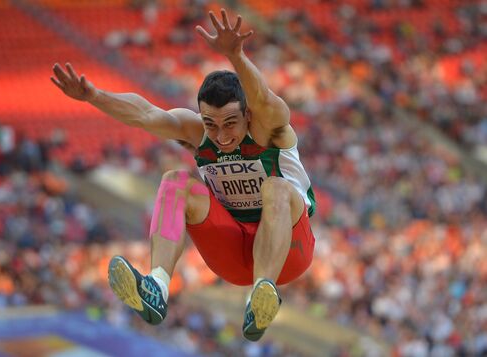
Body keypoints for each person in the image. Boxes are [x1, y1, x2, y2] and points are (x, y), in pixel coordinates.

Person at [51, 9, 316, 342]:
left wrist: (235, 55)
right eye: (211, 124)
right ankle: (157, 286)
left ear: (248, 115)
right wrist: (94, 96)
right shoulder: (197, 133)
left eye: (230, 124)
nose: (220, 136)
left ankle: (260, 298)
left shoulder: (271, 126)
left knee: (276, 188)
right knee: (175, 180)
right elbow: (146, 114)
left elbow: (262, 97)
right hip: (233, 254)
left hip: (289, 251)